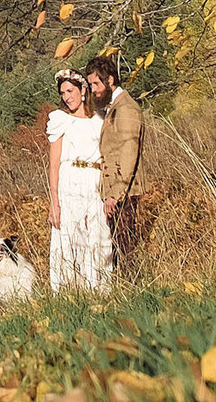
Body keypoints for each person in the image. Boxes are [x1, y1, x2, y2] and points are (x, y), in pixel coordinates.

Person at [44, 66, 112, 292]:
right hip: (69, 181)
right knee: (69, 238)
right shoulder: (61, 120)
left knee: (97, 234)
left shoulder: (99, 119)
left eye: (70, 91)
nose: (67, 97)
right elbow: (54, 165)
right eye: (63, 93)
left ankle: (99, 288)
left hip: (94, 181)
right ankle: (69, 291)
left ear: (83, 90)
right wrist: (54, 202)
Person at [87, 54, 147, 264]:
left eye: (96, 83)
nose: (94, 89)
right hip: (117, 191)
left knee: (125, 249)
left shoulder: (126, 108)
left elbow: (128, 153)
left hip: (124, 193)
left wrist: (115, 194)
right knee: (119, 247)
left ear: (110, 80)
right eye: (91, 84)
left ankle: (131, 290)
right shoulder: (114, 107)